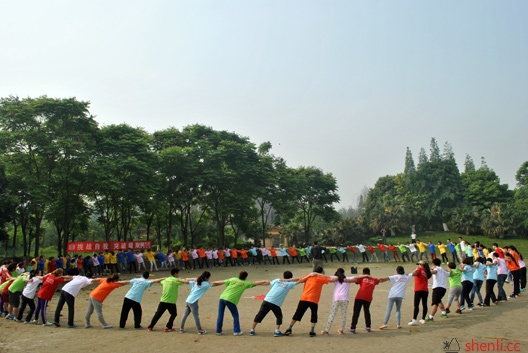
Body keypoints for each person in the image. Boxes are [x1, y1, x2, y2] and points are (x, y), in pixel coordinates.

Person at [249, 270, 301, 337]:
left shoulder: (277, 280)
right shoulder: (289, 284)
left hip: (267, 300)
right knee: (279, 316)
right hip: (275, 303)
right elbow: (299, 279)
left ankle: (252, 330)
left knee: (259, 315)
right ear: (290, 278)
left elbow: (269, 283)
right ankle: (277, 331)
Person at [284, 266, 331, 337]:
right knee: (314, 314)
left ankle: (289, 328)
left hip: (304, 298)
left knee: (298, 313)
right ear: (321, 272)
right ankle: (312, 330)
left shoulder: (308, 276)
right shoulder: (321, 278)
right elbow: (331, 279)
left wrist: (285, 280)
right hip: (314, 299)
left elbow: (298, 278)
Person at [147, 268, 190, 332]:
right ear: (175, 273)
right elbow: (185, 281)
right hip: (171, 301)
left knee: (158, 314)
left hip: (163, 300)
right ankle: (168, 327)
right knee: (174, 314)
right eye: (178, 273)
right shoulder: (176, 280)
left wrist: (162, 278)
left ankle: (150, 326)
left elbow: (159, 281)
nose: (178, 274)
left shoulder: (165, 280)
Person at [321, 268, 360, 335]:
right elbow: (357, 278)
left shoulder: (336, 278)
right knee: (343, 315)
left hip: (336, 298)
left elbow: (326, 277)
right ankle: (341, 329)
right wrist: (366, 276)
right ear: (343, 273)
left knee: (332, 314)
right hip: (344, 298)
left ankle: (326, 330)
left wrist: (315, 274)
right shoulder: (347, 278)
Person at [349, 268, 382, 333]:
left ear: (363, 273)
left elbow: (354, 279)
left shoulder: (362, 278)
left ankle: (353, 328)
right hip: (368, 298)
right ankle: (368, 327)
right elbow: (380, 280)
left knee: (356, 312)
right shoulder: (374, 279)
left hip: (360, 296)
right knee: (366, 311)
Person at [408, 260, 432, 326]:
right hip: (425, 289)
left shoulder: (419, 269)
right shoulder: (426, 271)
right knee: (424, 304)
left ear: (420, 265)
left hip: (418, 289)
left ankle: (414, 319)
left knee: (416, 305)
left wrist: (415, 269)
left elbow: (413, 274)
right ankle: (423, 318)